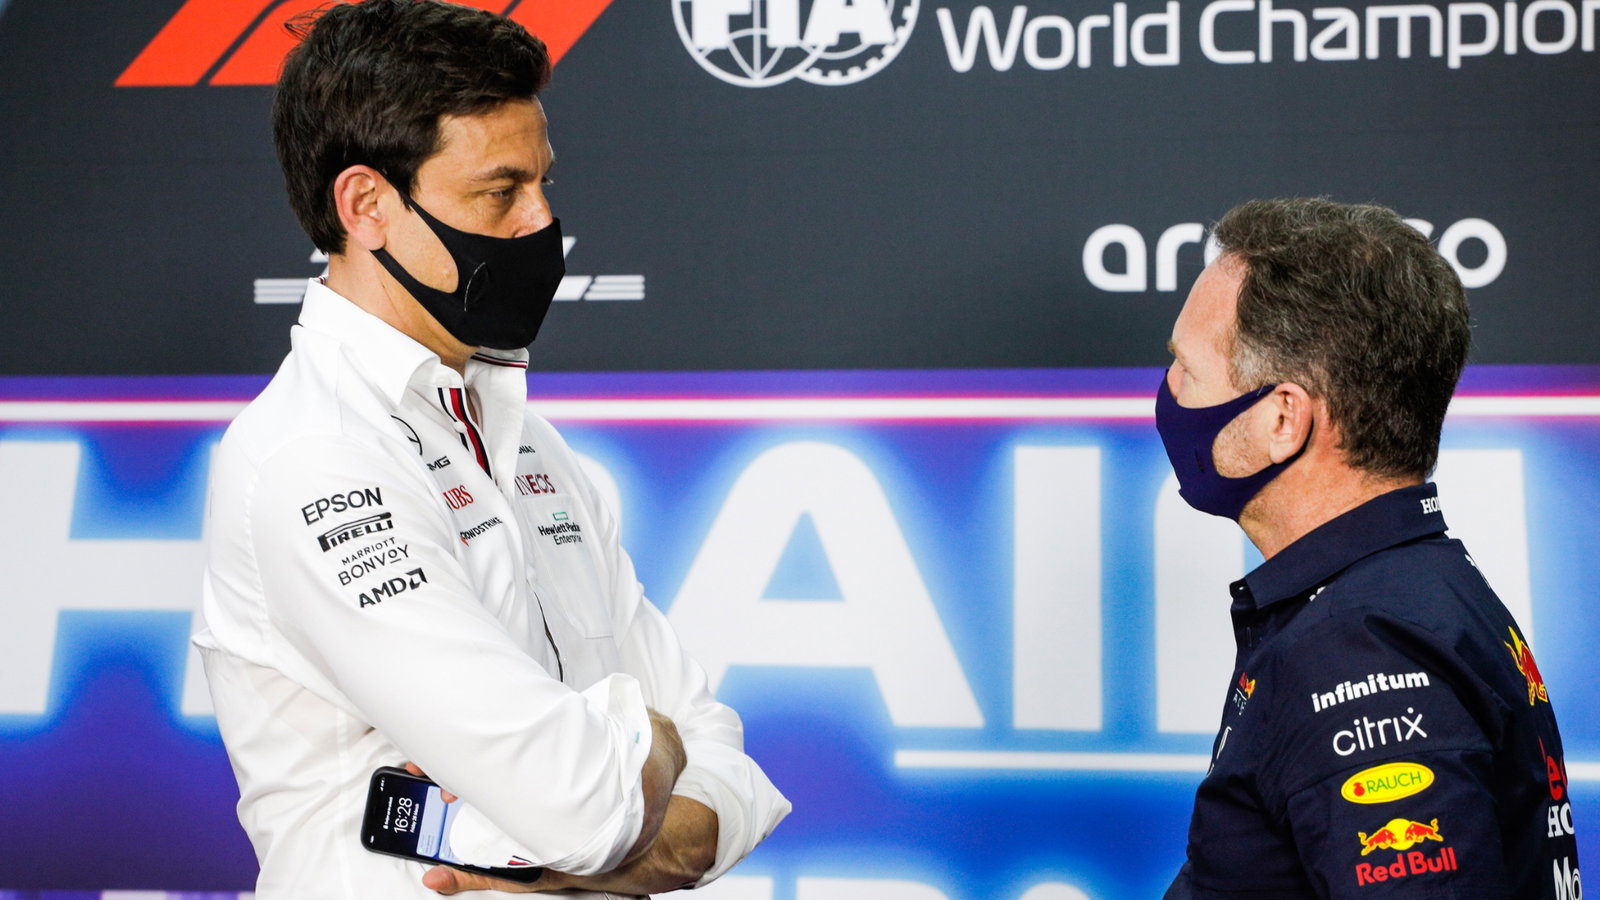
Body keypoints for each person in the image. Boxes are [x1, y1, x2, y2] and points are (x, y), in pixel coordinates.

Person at [194, 2, 789, 896]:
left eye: (544, 184)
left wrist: (624, 801)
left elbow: (722, 765)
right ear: (367, 206)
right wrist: (647, 745)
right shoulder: (312, 458)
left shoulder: (529, 444)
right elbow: (586, 805)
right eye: (499, 192)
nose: (542, 222)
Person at [1157, 197, 1580, 897]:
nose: (1167, 393)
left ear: (1283, 418)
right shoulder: (1403, 595)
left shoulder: (1359, 645)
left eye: (1186, 370)